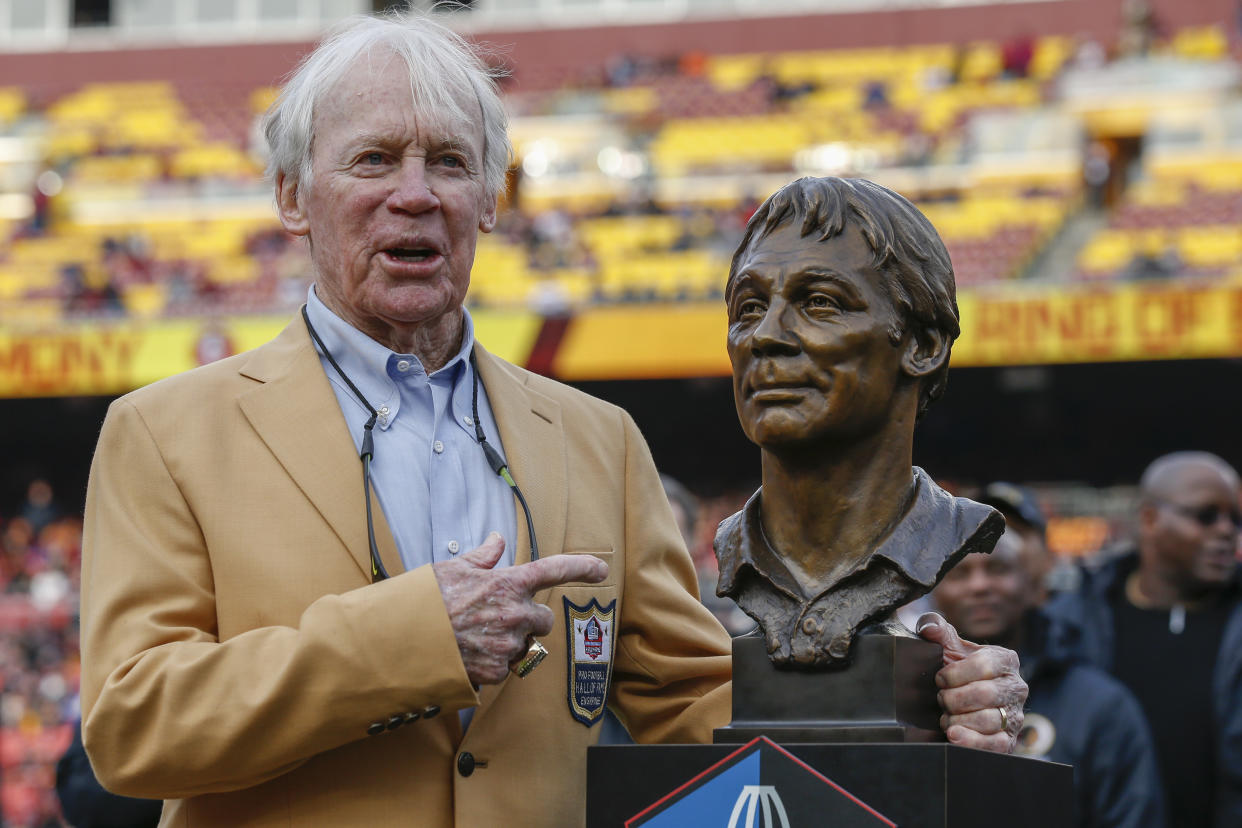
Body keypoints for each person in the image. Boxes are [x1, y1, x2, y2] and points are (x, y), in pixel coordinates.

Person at [79, 14, 1025, 827]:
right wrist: (414, 640)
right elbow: (132, 728)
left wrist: (907, 695)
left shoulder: (594, 438)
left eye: (451, 162)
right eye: (374, 159)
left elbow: (694, 699)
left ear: (490, 200)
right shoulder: (165, 432)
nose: (417, 193)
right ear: (293, 196)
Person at [714, 176, 1009, 677]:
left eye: (819, 302)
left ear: (923, 345)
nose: (765, 336)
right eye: (750, 308)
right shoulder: (721, 554)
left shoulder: (950, 533)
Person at [1047, 451, 1242, 828]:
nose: (1226, 531)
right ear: (1150, 518)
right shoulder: (1074, 622)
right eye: (1206, 515)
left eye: (1235, 518)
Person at [934, 530, 1167, 828]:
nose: (980, 585)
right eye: (960, 573)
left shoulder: (1101, 704)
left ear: (1032, 585)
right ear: (937, 590)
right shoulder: (911, 699)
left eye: (998, 569)